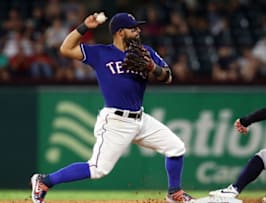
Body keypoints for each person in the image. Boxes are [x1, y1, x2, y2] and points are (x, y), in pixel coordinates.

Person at [30, 12, 194, 203]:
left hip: (140, 119)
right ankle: (45, 181)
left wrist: (152, 68)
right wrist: (84, 26)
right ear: (120, 32)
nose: (138, 31)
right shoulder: (100, 53)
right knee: (97, 169)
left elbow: (168, 77)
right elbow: (66, 49)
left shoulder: (145, 52)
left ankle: (174, 193)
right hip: (116, 121)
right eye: (133, 28)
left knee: (176, 148)